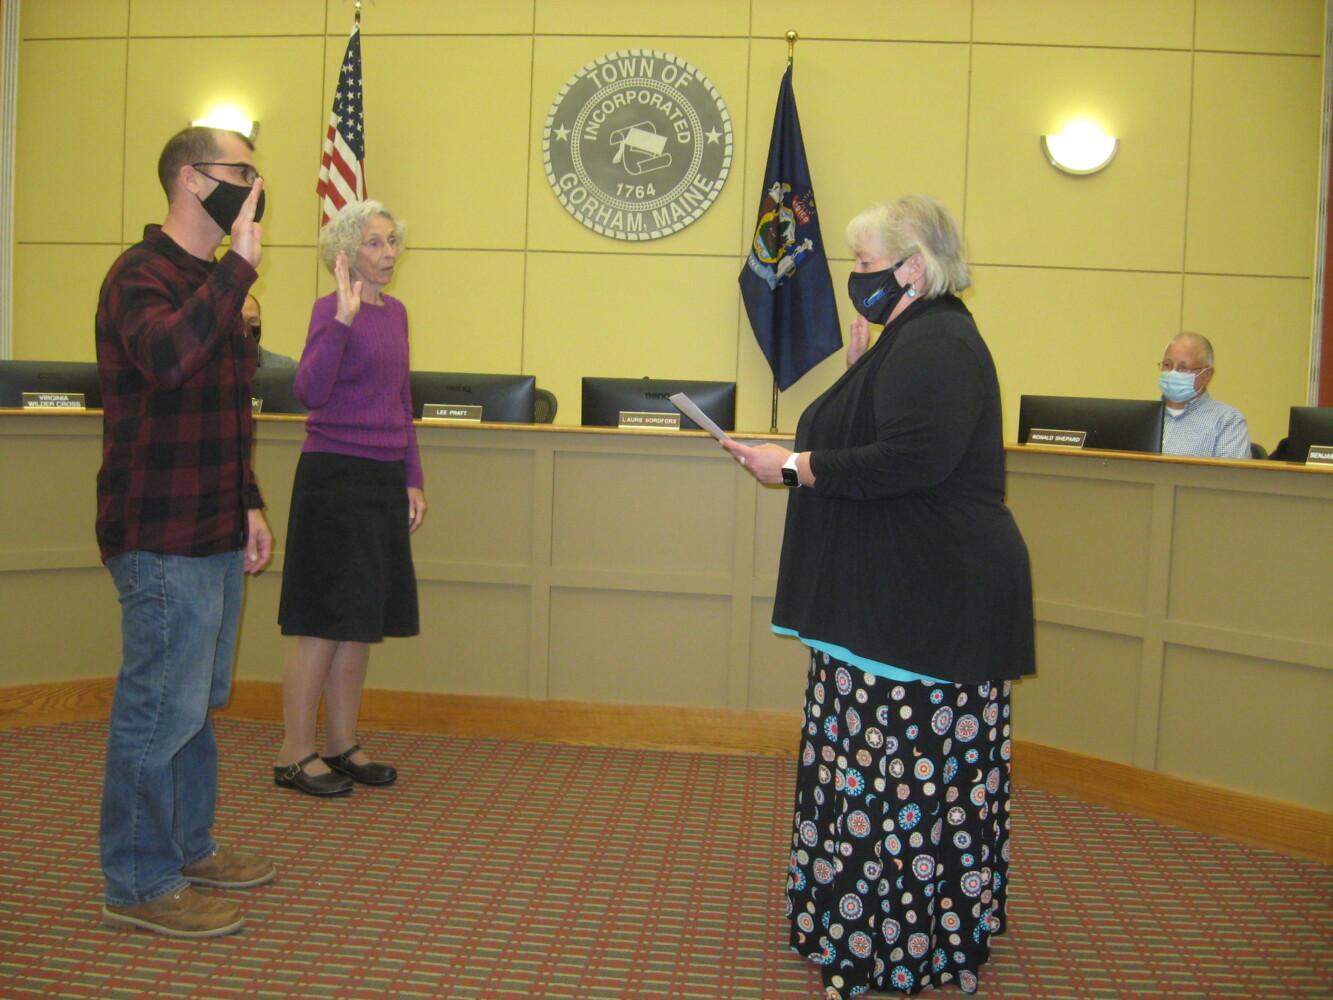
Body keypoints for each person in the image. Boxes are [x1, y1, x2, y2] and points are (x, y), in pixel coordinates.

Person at [723, 194, 1035, 998]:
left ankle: (888, 949)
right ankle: (857, 923)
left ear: (913, 267)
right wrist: (863, 369)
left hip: (924, 609)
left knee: (896, 782)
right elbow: (878, 437)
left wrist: (788, 467)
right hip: (890, 601)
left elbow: (907, 462)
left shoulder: (938, 343)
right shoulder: (910, 339)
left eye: (863, 264)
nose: (852, 279)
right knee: (866, 774)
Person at [95, 126, 275, 939]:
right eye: (241, 169)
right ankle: (138, 880)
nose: (254, 182)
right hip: (158, 530)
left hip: (213, 524)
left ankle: (189, 846)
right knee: (157, 708)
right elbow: (167, 360)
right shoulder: (141, 275)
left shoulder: (214, 283)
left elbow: (227, 412)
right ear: (193, 181)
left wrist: (251, 503)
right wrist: (238, 267)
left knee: (198, 703)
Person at [272, 200, 427, 797]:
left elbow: (400, 405)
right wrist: (340, 318)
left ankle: (340, 744)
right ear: (345, 253)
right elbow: (309, 390)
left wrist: (412, 476)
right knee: (322, 621)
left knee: (359, 622)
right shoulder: (328, 310)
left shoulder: (398, 314)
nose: (388, 254)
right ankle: (293, 752)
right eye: (374, 244)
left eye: (392, 242)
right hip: (333, 477)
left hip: (382, 479)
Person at [1157, 332, 1250, 458]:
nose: (1172, 373)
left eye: (1184, 367)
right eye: (1167, 365)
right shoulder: (1142, 418)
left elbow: (1230, 476)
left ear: (1207, 375)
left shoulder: (1228, 421)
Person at [242, 294, 298, 367]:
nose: (247, 327)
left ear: (260, 323)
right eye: (239, 321)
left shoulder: (287, 369)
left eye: (252, 320)